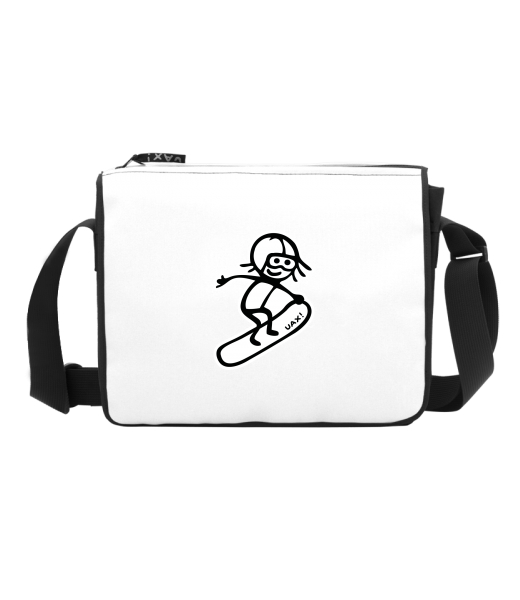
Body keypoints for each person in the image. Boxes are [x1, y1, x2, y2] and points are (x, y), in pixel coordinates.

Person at [216, 233, 311, 345]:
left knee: (267, 314)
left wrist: (294, 296)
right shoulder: (263, 280)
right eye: (276, 261)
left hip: (258, 306)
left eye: (287, 263)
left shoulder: (273, 282)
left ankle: (268, 330)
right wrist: (227, 280)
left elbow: (282, 289)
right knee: (261, 321)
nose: (281, 267)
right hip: (249, 307)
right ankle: (253, 338)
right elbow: (245, 277)